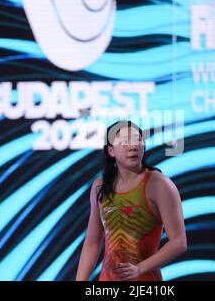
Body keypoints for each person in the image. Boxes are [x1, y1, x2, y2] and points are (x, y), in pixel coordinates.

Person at [76, 120, 187, 281]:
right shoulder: (100, 187)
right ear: (111, 151)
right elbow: (92, 243)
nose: (133, 146)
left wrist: (139, 269)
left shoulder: (159, 184)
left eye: (137, 140)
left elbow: (179, 243)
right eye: (124, 142)